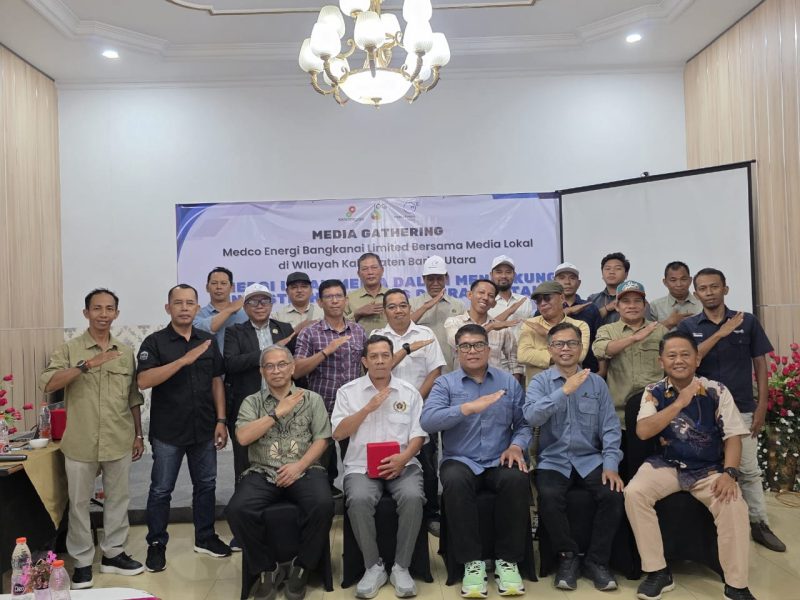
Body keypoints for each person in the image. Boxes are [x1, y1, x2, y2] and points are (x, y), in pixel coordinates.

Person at [624, 331, 757, 600]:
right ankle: (658, 571)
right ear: (661, 361)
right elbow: (643, 431)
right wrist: (680, 403)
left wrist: (730, 473)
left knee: (733, 504)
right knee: (634, 493)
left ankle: (736, 585)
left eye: (685, 354)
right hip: (667, 465)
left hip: (709, 469)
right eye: (671, 355)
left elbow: (733, 436)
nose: (679, 360)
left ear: (697, 359)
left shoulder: (716, 390)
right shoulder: (653, 391)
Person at [40, 288, 145, 589]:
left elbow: (133, 396)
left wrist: (138, 434)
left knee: (118, 499)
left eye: (109, 309)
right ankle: (83, 562)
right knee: (78, 504)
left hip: (118, 436)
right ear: (86, 313)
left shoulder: (124, 352)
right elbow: (48, 383)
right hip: (80, 439)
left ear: (116, 314)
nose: (103, 314)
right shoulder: (69, 349)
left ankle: (114, 554)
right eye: (97, 308)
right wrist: (86, 365)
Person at [677, 268, 785, 552]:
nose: (709, 292)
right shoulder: (688, 326)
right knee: (707, 469)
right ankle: (716, 527)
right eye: (703, 288)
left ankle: (759, 524)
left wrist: (762, 405)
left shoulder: (747, 321)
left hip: (742, 407)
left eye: (714, 286)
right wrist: (721, 333)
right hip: (702, 411)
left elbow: (760, 364)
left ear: (725, 289)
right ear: (696, 293)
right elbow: (689, 360)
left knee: (748, 469)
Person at [421, 324, 532, 598]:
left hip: (498, 458)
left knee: (516, 479)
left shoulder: (508, 382)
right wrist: (467, 408)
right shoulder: (445, 383)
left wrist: (516, 446)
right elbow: (428, 421)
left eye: (478, 345)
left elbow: (524, 424)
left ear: (488, 349)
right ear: (457, 351)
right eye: (465, 346)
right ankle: (472, 563)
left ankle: (508, 561)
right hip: (461, 459)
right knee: (455, 481)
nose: (472, 351)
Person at [137, 284, 232, 572]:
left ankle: (205, 537)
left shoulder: (207, 340)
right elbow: (144, 380)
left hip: (204, 427)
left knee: (206, 485)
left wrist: (221, 420)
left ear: (197, 307)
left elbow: (217, 381)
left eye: (190, 303)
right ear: (168, 308)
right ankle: (156, 543)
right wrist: (183, 361)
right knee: (161, 490)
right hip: (168, 430)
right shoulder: (154, 342)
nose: (184, 308)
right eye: (178, 303)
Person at [226, 345, 334, 600]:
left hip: (304, 468)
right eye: (270, 366)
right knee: (236, 510)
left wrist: (299, 466)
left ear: (292, 367)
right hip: (262, 471)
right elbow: (243, 437)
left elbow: (322, 439)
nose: (276, 371)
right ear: (262, 371)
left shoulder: (312, 399)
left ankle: (302, 566)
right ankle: (266, 567)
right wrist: (276, 413)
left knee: (323, 504)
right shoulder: (252, 402)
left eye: (282, 364)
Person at [524, 322, 623, 592]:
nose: (565, 349)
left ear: (581, 348)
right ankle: (567, 557)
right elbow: (531, 416)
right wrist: (564, 391)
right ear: (550, 349)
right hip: (553, 459)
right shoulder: (541, 382)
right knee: (549, 497)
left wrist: (611, 465)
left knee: (613, 495)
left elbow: (610, 427)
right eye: (559, 344)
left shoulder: (597, 383)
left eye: (571, 343)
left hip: (590, 458)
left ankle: (597, 561)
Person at [331, 335, 427, 599]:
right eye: (374, 356)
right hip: (361, 466)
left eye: (385, 355)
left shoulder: (409, 392)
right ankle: (373, 567)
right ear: (364, 361)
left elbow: (419, 434)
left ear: (392, 358)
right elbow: (338, 433)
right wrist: (367, 409)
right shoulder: (348, 392)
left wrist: (403, 458)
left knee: (413, 496)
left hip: (404, 463)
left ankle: (401, 567)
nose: (380, 361)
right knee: (359, 499)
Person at [373, 288, 446, 536]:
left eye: (403, 305)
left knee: (427, 461)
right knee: (393, 459)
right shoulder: (377, 336)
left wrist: (415, 401)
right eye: (392, 306)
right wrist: (406, 348)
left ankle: (431, 514)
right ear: (385, 311)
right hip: (386, 411)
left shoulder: (426, 334)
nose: (398, 310)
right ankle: (399, 511)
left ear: (409, 307)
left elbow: (435, 372)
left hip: (422, 408)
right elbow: (379, 369)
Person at [294, 279, 368, 497]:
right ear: (320, 302)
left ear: (346, 300)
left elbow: (367, 368)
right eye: (329, 297)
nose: (334, 301)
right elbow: (296, 370)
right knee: (320, 465)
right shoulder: (309, 332)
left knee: (355, 462)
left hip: (352, 408)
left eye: (338, 296)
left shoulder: (358, 331)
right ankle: (324, 499)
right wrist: (326, 351)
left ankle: (355, 499)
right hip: (321, 407)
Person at [224, 283, 295, 482]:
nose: (260, 305)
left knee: (284, 454)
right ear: (245, 307)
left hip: (282, 403)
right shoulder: (235, 331)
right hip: (248, 404)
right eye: (253, 302)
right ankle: (245, 495)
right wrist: (270, 351)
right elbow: (230, 363)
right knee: (244, 459)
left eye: (264, 301)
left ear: (271, 305)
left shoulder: (284, 329)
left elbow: (294, 365)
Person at [592, 281, 667, 422]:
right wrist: (634, 338)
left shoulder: (660, 330)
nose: (632, 306)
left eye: (637, 301)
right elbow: (600, 350)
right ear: (616, 306)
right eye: (626, 301)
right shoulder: (607, 330)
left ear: (645, 305)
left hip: (656, 410)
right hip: (618, 414)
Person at [444, 279, 522, 380]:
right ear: (469, 295)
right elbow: (457, 342)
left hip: (496, 384)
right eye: (481, 292)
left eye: (491, 296)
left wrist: (512, 386)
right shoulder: (453, 323)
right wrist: (490, 327)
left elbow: (514, 363)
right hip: (462, 384)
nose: (485, 298)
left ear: (494, 303)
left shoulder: (502, 328)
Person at [518, 281, 589, 384]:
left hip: (572, 386)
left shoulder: (580, 325)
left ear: (562, 298)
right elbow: (523, 355)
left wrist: (547, 334)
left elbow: (580, 356)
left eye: (547, 298)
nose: (542, 303)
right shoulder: (530, 324)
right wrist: (566, 355)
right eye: (538, 301)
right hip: (538, 389)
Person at [410, 255, 465, 373]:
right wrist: (425, 307)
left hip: (450, 368)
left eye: (439, 278)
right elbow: (403, 327)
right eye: (430, 279)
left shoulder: (458, 305)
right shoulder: (412, 304)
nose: (435, 283)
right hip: (421, 370)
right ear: (424, 279)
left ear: (446, 278)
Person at [553, 262, 601, 372]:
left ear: (578, 283)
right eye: (562, 278)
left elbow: (598, 341)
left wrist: (601, 371)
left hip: (588, 370)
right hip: (553, 371)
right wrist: (567, 311)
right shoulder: (546, 309)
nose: (567, 282)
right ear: (555, 282)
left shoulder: (590, 308)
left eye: (572, 278)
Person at [193, 267, 248, 352]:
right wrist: (229, 310)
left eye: (223, 283)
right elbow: (201, 332)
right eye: (214, 283)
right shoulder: (197, 314)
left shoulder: (245, 315)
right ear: (207, 287)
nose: (219, 287)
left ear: (232, 287)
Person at [487, 255, 533, 338]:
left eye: (508, 272)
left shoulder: (524, 301)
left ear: (514, 275)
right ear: (491, 275)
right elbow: (481, 331)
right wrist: (509, 311)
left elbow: (530, 331)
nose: (503, 276)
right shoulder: (485, 301)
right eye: (499, 272)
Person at [648, 261, 702, 330]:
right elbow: (647, 334)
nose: (679, 284)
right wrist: (668, 323)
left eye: (683, 279)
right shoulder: (655, 306)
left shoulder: (702, 303)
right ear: (665, 282)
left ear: (690, 280)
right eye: (673, 280)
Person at [345, 253, 389, 336]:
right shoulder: (349, 299)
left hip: (390, 342)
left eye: (374, 267)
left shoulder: (394, 296)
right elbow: (338, 326)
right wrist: (357, 313)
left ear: (382, 270)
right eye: (365, 269)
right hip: (360, 343)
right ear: (358, 273)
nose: (370, 272)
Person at [588, 252, 630, 326]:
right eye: (607, 268)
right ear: (602, 274)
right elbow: (586, 324)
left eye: (618, 268)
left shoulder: (637, 299)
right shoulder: (592, 299)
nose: (611, 272)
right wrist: (607, 308)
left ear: (626, 274)